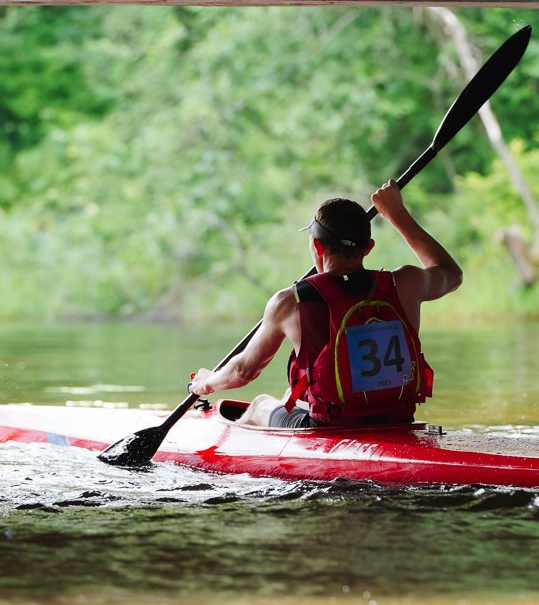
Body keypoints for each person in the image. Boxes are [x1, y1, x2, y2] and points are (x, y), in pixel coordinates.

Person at [187, 179, 463, 427]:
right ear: (368, 248)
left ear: (317, 247)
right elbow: (451, 274)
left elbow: (243, 371)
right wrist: (397, 214)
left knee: (260, 405)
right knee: (290, 396)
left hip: (330, 427)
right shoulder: (404, 284)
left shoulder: (290, 301)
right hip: (397, 418)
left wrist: (206, 382)